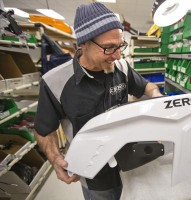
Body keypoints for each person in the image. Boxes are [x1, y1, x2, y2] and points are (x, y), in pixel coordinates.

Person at [34, 2, 163, 200]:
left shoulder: (121, 67)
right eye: (109, 48)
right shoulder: (54, 83)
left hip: (131, 160)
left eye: (120, 46)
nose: (118, 55)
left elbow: (147, 87)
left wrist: (158, 100)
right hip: (95, 175)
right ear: (83, 44)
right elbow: (44, 131)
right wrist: (55, 159)